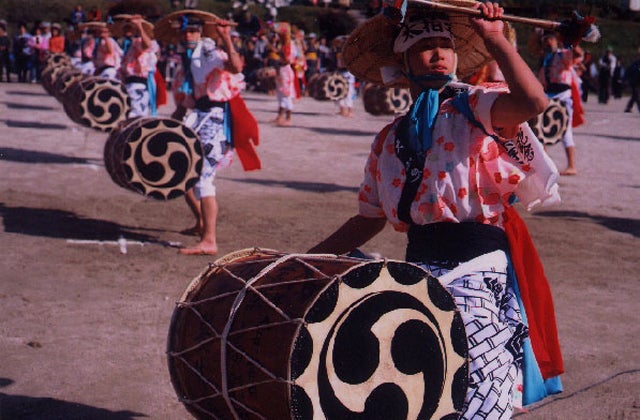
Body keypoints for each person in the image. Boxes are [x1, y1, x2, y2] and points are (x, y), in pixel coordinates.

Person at [308, 2, 564, 418]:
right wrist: (313, 256)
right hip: (420, 269)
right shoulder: (391, 138)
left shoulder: (477, 108)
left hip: (478, 264)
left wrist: (495, 37)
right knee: (423, 388)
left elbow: (533, 101)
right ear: (404, 60)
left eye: (445, 44)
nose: (438, 53)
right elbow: (369, 217)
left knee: (482, 384)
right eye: (424, 46)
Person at [168, 12, 260, 255]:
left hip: (214, 120)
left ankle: (209, 239)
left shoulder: (208, 51)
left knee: (202, 177)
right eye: (185, 32)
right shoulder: (188, 57)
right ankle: (201, 222)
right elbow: (189, 99)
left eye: (193, 31)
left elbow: (236, 66)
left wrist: (225, 37)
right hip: (199, 116)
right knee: (183, 172)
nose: (189, 35)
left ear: (200, 33)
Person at [536, 31, 582, 175]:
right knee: (540, 130)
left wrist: (573, 40)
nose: (547, 42)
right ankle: (543, 164)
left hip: (562, 95)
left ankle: (572, 165)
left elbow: (578, 54)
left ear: (556, 41)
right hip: (548, 95)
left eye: (550, 39)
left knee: (565, 131)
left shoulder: (563, 54)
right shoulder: (545, 58)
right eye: (545, 40)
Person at [119, 16, 159, 118]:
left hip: (138, 83)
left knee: (136, 114)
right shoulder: (129, 44)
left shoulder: (139, 42)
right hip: (129, 82)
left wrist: (139, 27)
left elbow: (147, 45)